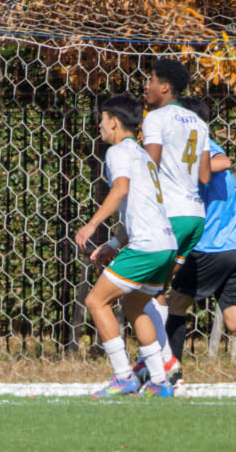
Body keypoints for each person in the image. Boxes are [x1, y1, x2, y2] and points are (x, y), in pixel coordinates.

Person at [76, 95, 178, 398]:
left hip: (146, 246)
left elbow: (121, 189)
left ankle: (123, 377)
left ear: (114, 122)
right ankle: (159, 382)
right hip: (165, 245)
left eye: (102, 119)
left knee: (96, 301)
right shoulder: (143, 156)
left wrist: (91, 225)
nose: (99, 125)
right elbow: (142, 210)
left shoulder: (118, 151)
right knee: (135, 306)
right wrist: (113, 244)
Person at [137, 59, 210, 380]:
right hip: (194, 216)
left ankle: (163, 361)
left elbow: (149, 165)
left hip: (170, 214)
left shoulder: (155, 118)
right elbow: (204, 176)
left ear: (164, 86)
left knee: (136, 288)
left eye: (150, 80)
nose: (146, 85)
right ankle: (160, 363)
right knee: (156, 288)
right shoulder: (199, 123)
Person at [164, 97, 236, 367]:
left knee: (176, 304)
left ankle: (169, 376)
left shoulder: (200, 146)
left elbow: (223, 161)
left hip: (211, 247)